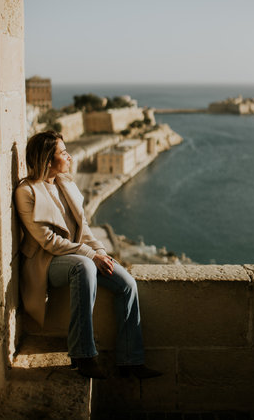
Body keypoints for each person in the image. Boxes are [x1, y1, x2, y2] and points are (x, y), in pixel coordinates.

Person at [14, 130, 161, 380]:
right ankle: (82, 354)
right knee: (84, 266)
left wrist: (102, 252)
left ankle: (130, 361)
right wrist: (91, 256)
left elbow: (84, 229)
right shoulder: (26, 192)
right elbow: (49, 242)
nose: (70, 157)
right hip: (45, 262)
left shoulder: (65, 183)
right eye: (63, 153)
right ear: (49, 160)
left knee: (126, 283)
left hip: (78, 256)